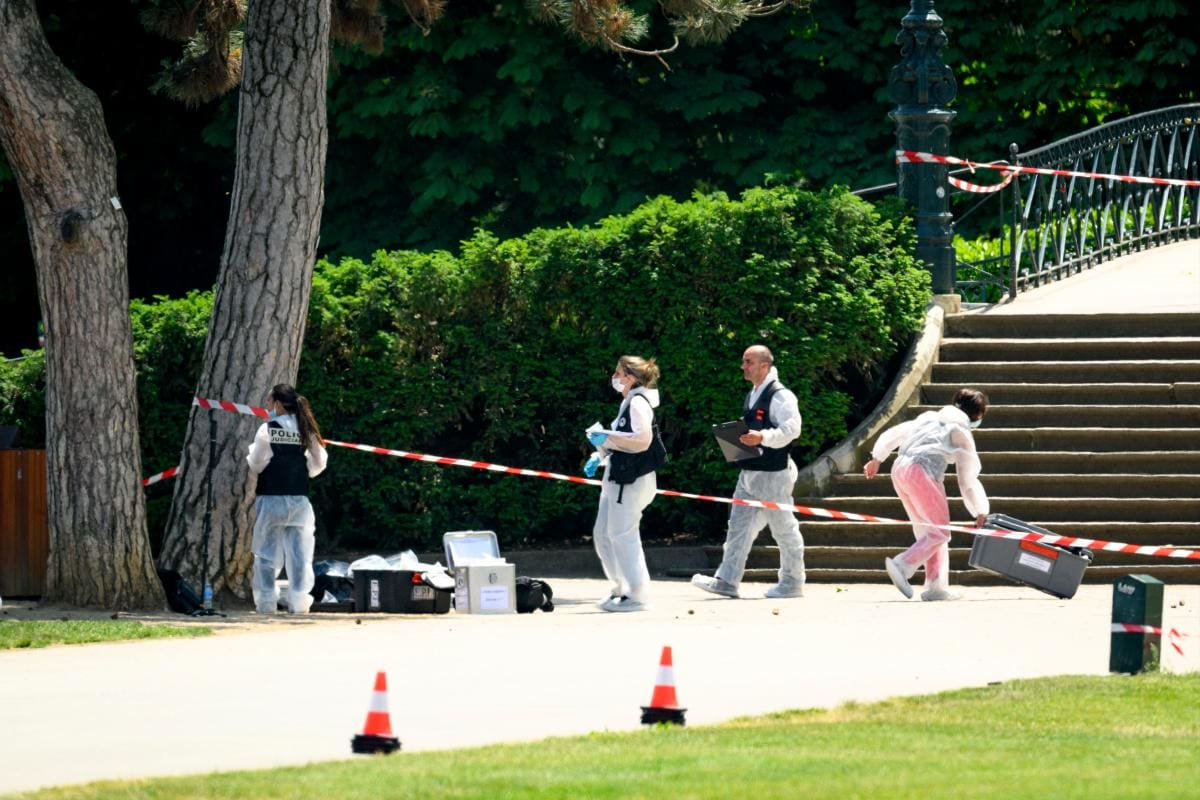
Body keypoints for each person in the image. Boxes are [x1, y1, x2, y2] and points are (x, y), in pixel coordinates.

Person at [691, 345, 806, 599]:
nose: (743, 366)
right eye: (744, 361)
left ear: (764, 365)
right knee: (738, 527)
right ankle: (727, 580)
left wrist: (762, 437)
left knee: (783, 528)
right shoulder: (753, 393)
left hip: (773, 474)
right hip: (749, 471)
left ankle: (792, 581)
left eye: (748, 362)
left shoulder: (781, 395)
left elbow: (792, 429)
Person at [863, 387, 990, 601]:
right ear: (976, 415)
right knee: (940, 532)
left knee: (928, 532)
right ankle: (902, 565)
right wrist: (980, 509)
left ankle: (936, 586)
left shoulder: (929, 416)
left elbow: (896, 433)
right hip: (923, 472)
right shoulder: (961, 432)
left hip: (900, 469)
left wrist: (878, 457)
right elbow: (968, 477)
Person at [583, 356, 663, 613]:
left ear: (630, 377)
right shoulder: (630, 403)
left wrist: (606, 437)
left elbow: (641, 440)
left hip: (631, 481)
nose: (614, 377)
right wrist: (601, 453)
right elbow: (625, 442)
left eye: (618, 373)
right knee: (604, 534)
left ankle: (637, 594)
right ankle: (621, 588)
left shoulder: (638, 403)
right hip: (619, 478)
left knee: (622, 535)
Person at [246, 383, 328, 614]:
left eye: (270, 401)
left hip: (272, 498)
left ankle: (266, 604)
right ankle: (300, 603)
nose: (268, 406)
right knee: (301, 556)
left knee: (265, 555)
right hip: (300, 501)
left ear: (278, 404)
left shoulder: (267, 429)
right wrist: (305, 471)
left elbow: (257, 462)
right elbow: (320, 460)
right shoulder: (305, 428)